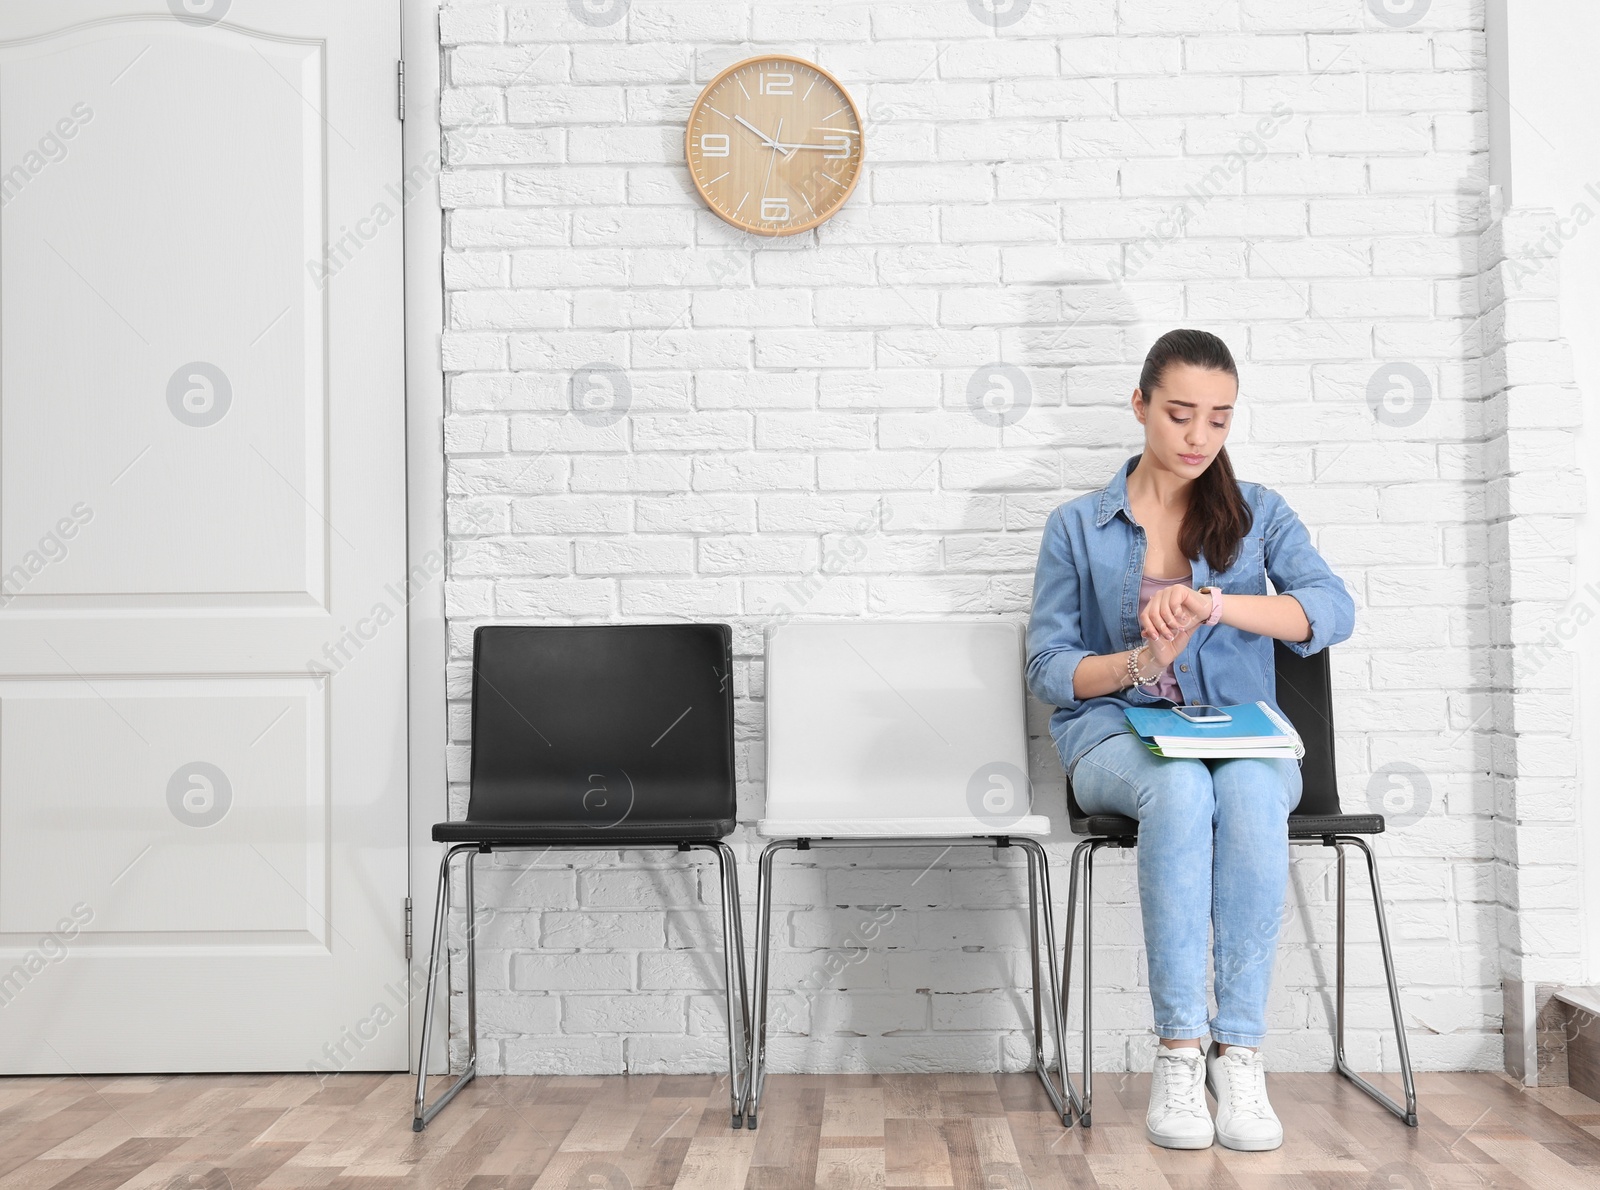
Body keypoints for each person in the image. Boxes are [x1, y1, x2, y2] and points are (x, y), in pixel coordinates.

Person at [1024, 328, 1356, 1152]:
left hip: (1239, 737)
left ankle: (1237, 1053)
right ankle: (1179, 1049)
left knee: (1240, 785)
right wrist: (1143, 660)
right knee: (1178, 785)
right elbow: (1048, 667)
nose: (1198, 437)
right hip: (1114, 736)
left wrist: (1216, 606)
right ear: (1139, 406)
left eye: (1218, 419)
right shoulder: (1078, 526)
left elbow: (1331, 610)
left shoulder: (1259, 514)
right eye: (1179, 415)